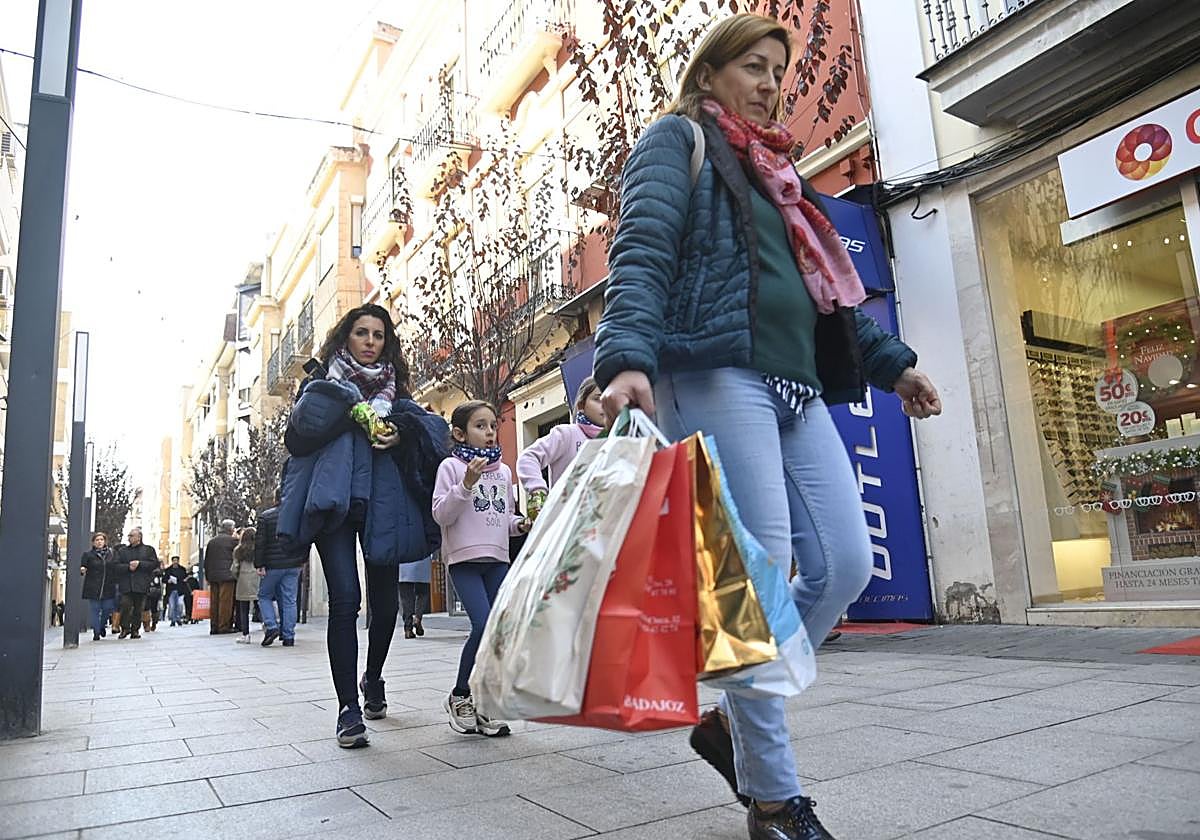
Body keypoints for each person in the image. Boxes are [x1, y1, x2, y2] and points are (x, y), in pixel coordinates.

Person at [594, 15, 943, 840]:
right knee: (754, 581)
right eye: (753, 66)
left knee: (845, 564)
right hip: (714, 372)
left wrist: (893, 365)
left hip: (796, 383)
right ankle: (775, 799)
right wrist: (625, 358)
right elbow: (641, 250)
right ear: (708, 72)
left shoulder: (778, 170)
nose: (770, 84)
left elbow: (826, 300)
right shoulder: (678, 141)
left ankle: (731, 719)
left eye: (778, 72)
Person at [280, 304, 448, 748]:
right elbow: (297, 435)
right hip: (334, 503)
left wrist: (400, 433)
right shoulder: (322, 384)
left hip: (382, 505)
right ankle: (347, 710)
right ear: (345, 338)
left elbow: (434, 431)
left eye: (378, 334)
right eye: (361, 332)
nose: (370, 341)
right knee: (345, 600)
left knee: (386, 606)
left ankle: (372, 678)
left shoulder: (396, 395)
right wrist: (348, 408)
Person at [432, 400, 530, 738]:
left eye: (492, 425)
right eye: (480, 426)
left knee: (499, 631)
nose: (489, 432)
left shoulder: (503, 472)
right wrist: (466, 484)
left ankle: (485, 703)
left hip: (497, 560)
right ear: (460, 434)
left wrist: (521, 525)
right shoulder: (450, 467)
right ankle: (460, 695)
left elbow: (505, 517)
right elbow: (441, 514)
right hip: (464, 562)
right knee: (483, 625)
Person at [515, 375, 607, 518]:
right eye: (598, 399)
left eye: (609, 399)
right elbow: (528, 457)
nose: (605, 405)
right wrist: (538, 490)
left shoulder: (618, 441)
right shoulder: (567, 434)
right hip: (565, 521)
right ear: (581, 405)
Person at [254, 484, 308, 648]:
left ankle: (271, 626)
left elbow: (260, 543)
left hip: (273, 565)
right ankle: (289, 636)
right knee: (289, 599)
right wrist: (302, 559)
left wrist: (259, 564)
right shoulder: (298, 515)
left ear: (275, 498)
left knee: (264, 596)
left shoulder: (265, 517)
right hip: (293, 564)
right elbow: (305, 538)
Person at [115, 528, 160, 639]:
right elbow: (116, 565)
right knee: (125, 605)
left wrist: (140, 564)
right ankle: (125, 628)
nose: (129, 538)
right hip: (126, 584)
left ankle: (135, 630)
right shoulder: (122, 551)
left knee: (138, 609)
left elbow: (154, 564)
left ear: (139, 537)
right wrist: (128, 567)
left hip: (141, 584)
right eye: (129, 536)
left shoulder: (148, 550)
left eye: (131, 536)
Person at [80, 532, 119, 641]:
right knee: (95, 610)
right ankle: (96, 632)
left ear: (105, 541)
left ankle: (102, 626)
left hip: (108, 586)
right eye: (97, 540)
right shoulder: (88, 555)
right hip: (93, 587)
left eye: (101, 539)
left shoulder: (112, 554)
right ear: (93, 542)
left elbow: (116, 567)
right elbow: (83, 566)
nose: (99, 542)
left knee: (107, 608)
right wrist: (82, 569)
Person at [204, 520, 239, 634]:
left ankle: (214, 626)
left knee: (214, 602)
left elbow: (206, 560)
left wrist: (207, 576)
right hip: (227, 575)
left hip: (213, 575)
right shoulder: (233, 541)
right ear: (231, 529)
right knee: (225, 602)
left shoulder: (212, 541)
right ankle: (224, 626)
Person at [231, 527, 258, 644]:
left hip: (243, 579)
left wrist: (237, 576)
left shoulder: (238, 550)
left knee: (243, 608)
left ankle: (245, 634)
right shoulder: (259, 549)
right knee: (260, 604)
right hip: (257, 578)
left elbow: (234, 568)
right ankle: (267, 625)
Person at [399, 553, 431, 640]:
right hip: (422, 557)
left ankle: (408, 629)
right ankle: (417, 618)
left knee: (406, 596)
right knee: (423, 592)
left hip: (403, 559)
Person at [162, 556, 188, 627]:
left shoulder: (182, 569)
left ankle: (178, 618)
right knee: (172, 606)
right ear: (172, 561)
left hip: (180, 590)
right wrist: (168, 581)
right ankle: (173, 620)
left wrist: (185, 580)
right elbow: (164, 579)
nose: (175, 562)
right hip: (171, 590)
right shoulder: (168, 570)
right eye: (174, 560)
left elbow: (185, 578)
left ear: (178, 561)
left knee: (179, 605)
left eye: (176, 560)